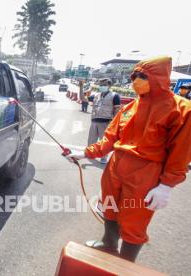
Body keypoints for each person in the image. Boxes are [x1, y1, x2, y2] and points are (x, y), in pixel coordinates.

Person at [66, 56, 191, 262]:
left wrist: (166, 185)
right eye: (135, 76)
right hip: (115, 168)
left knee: (134, 220)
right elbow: (109, 138)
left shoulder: (181, 110)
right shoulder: (130, 107)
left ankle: (125, 265)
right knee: (109, 207)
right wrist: (85, 153)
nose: (136, 81)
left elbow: (181, 152)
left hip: (145, 174)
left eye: (143, 76)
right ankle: (109, 243)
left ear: (159, 78)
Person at [87, 78, 121, 164]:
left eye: (104, 85)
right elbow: (84, 98)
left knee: (104, 141)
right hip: (94, 121)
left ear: (109, 86)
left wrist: (113, 124)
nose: (102, 86)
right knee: (91, 140)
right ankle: (90, 153)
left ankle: (104, 157)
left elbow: (117, 111)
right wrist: (81, 87)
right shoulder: (96, 95)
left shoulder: (114, 96)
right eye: (100, 84)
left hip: (106, 122)